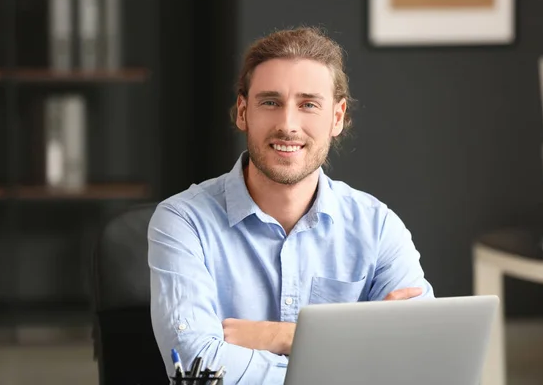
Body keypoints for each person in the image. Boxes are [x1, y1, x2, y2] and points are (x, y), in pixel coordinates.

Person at [148, 26, 434, 384]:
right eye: (270, 102)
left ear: (337, 117)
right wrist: (359, 345)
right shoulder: (182, 221)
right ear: (242, 112)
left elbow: (420, 357)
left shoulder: (378, 227)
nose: (288, 125)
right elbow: (197, 368)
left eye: (308, 104)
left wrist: (277, 336)